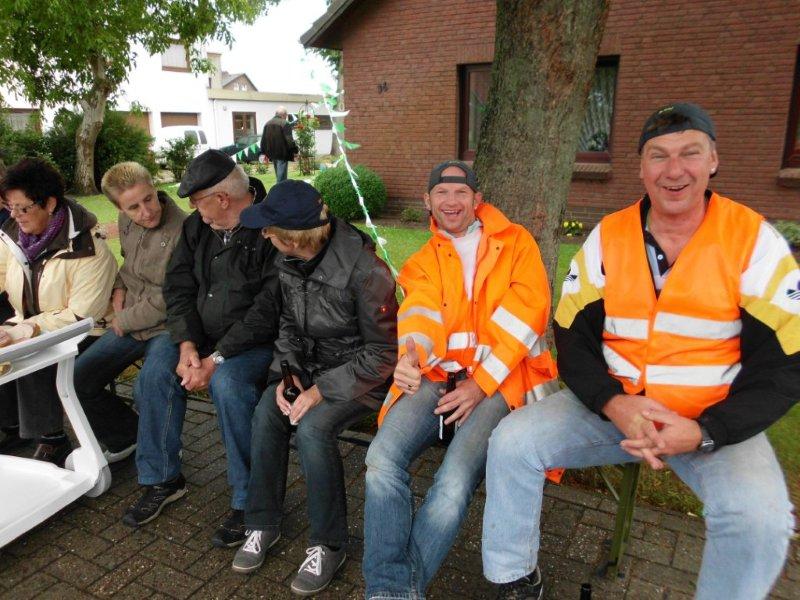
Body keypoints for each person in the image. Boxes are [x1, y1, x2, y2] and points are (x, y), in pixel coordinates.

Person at [482, 103, 799, 600]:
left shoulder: (754, 241)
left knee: (760, 521)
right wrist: (614, 403)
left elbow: (784, 366)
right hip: (615, 407)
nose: (674, 170)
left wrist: (707, 431)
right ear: (641, 168)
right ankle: (514, 577)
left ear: (713, 160)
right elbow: (571, 335)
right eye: (658, 155)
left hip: (711, 420)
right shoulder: (609, 235)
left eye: (690, 153)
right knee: (512, 442)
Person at [363, 161, 559, 599]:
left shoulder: (517, 243)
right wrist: (411, 355)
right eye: (442, 193)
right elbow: (421, 313)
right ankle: (393, 588)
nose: (451, 202)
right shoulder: (422, 261)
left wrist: (480, 384)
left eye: (460, 193)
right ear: (427, 201)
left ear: (477, 199)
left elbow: (526, 319)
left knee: (453, 484)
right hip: (438, 376)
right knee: (381, 460)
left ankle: (392, 590)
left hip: (501, 382)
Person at [231, 179, 398, 594]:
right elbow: (289, 323)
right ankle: (262, 522)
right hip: (308, 370)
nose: (263, 235)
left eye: (268, 230)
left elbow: (383, 353)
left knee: (313, 429)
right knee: (267, 414)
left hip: (362, 378)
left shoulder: (367, 272)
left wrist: (320, 390)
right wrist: (287, 375)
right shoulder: (288, 260)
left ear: (291, 239)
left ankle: (329, 543)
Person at [122, 150, 280, 548]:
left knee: (228, 385)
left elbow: (268, 310)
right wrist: (187, 345)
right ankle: (163, 478)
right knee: (156, 373)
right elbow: (177, 286)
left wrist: (216, 358)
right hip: (199, 335)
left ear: (223, 198)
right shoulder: (198, 227)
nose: (194, 211)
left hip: (254, 342)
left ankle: (250, 501)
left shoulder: (270, 228)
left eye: (197, 202)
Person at [0, 157, 117, 465]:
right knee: (14, 343)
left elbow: (81, 315)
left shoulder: (88, 245)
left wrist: (25, 329)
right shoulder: (14, 235)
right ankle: (18, 426)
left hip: (91, 330)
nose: (14, 216)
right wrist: (18, 327)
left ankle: (52, 438)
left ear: (50, 204)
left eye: (22, 208)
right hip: (37, 322)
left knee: (27, 350)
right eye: (10, 207)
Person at [73, 162, 187, 464]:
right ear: (120, 209)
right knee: (77, 378)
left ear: (155, 188)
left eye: (148, 199)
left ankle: (163, 472)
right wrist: (119, 288)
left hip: (171, 327)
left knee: (150, 385)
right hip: (132, 320)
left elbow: (174, 295)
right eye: (133, 207)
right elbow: (129, 265)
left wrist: (123, 319)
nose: (146, 212)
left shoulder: (185, 229)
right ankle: (129, 435)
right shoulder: (125, 221)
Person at [260, 106, 298, 183]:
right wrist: (295, 150)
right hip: (282, 153)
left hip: (271, 153)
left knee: (279, 175)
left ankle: (281, 188)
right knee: (281, 178)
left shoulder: (267, 124)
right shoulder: (285, 123)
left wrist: (262, 152)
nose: (286, 117)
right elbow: (289, 140)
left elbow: (263, 139)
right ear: (284, 115)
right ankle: (280, 189)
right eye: (286, 116)